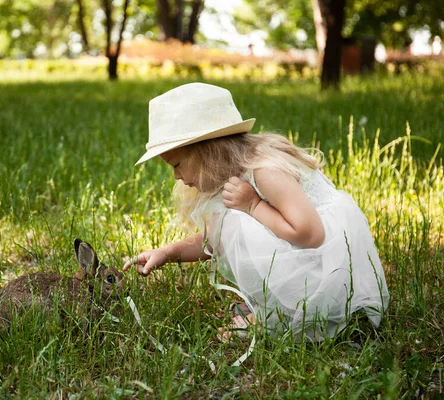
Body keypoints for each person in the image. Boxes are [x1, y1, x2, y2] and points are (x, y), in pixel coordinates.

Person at [123, 82, 389, 341]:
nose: (175, 176)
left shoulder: (265, 171)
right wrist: (167, 253)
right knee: (225, 223)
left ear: (208, 152)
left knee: (232, 222)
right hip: (312, 264)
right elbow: (212, 241)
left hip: (330, 276)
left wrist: (253, 206)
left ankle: (277, 316)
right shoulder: (236, 174)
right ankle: (276, 307)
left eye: (178, 164)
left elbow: (311, 235)